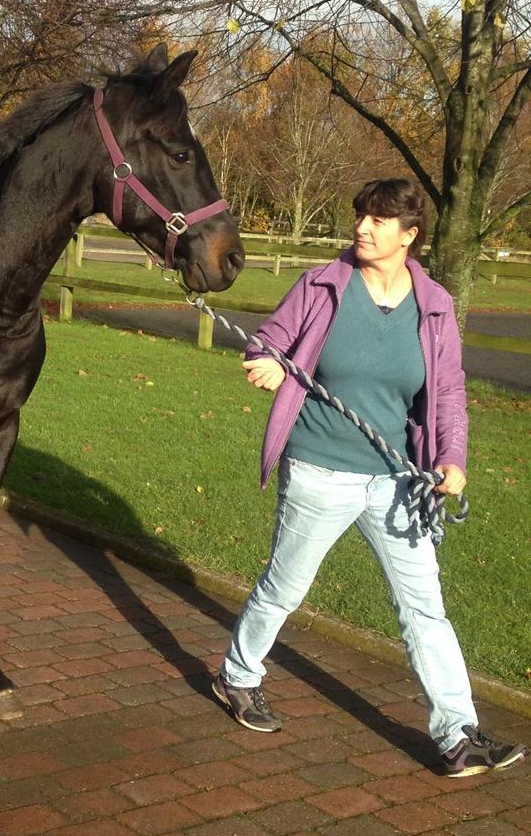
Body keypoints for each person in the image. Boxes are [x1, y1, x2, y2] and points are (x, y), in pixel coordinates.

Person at [213, 178, 525, 778]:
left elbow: (448, 391)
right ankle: (237, 676)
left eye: (379, 220)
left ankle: (457, 734)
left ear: (409, 236)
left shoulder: (434, 305)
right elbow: (268, 343)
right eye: (361, 215)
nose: (363, 227)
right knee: (286, 587)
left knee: (425, 607)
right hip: (317, 468)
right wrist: (268, 365)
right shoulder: (322, 285)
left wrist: (453, 458)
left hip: (396, 481)